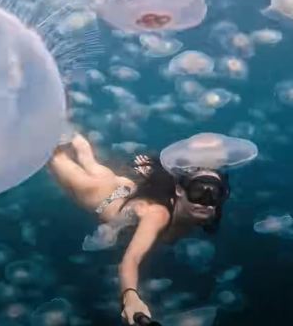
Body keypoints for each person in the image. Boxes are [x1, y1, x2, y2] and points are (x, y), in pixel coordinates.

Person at [48, 133, 230, 325]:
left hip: (123, 188)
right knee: (52, 156)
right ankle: (50, 121)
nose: (205, 201)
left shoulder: (199, 215)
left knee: (88, 161)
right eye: (197, 191)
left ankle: (66, 127)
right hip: (99, 197)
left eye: (214, 194)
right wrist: (130, 297)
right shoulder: (159, 215)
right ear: (179, 190)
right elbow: (131, 260)